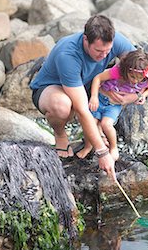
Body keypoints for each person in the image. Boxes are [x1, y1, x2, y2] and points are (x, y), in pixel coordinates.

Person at [30, 14, 136, 175]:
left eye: (108, 51)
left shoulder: (115, 40)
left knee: (114, 88)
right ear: (86, 40)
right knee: (63, 106)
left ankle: (96, 131)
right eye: (99, 51)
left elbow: (140, 67)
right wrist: (102, 152)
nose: (104, 55)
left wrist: (133, 96)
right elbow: (81, 109)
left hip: (88, 85)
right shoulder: (68, 54)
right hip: (51, 89)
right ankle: (60, 134)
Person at [77, 49, 148, 161]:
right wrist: (94, 96)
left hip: (113, 106)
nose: (135, 81)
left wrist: (143, 95)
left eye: (139, 79)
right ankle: (88, 146)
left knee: (107, 124)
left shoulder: (146, 79)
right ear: (126, 70)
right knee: (90, 123)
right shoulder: (117, 72)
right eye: (132, 77)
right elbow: (98, 78)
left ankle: (113, 147)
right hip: (100, 100)